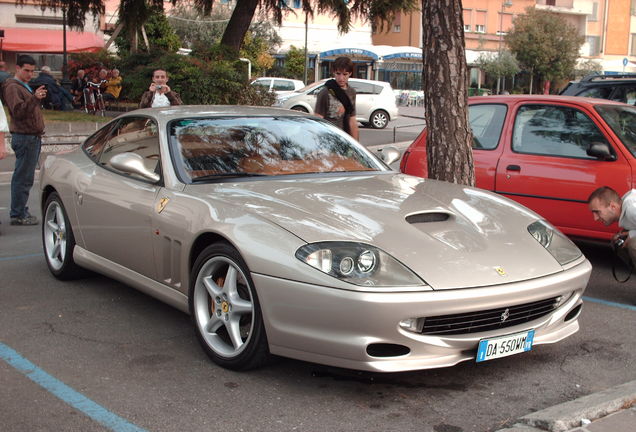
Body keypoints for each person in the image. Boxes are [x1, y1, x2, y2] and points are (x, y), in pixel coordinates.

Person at [2, 54, 47, 226]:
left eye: (32, 71)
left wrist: (35, 98)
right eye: (27, 70)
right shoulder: (13, 87)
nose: (30, 74)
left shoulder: (22, 86)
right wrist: (34, 98)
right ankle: (18, 213)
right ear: (18, 68)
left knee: (24, 177)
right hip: (25, 137)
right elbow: (19, 111)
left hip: (30, 137)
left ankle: (19, 211)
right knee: (23, 177)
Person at [588, 186, 636, 268]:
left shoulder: (631, 208)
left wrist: (632, 234)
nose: (595, 218)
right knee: (617, 240)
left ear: (613, 207)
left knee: (633, 244)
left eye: (597, 212)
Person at [314, 56, 359, 140]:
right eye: (338, 74)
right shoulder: (325, 92)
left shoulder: (352, 92)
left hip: (344, 139)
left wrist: (357, 146)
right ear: (334, 72)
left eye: (345, 74)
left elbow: (352, 120)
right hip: (328, 138)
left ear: (350, 73)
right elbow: (318, 119)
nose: (341, 78)